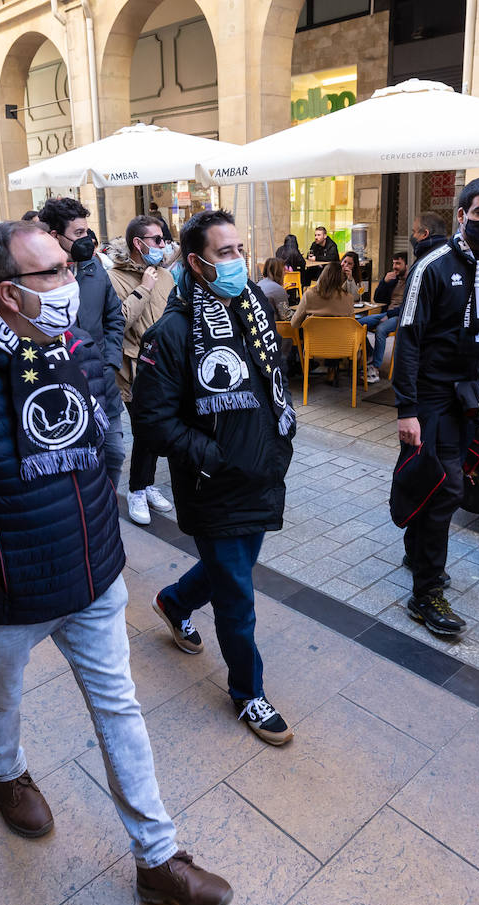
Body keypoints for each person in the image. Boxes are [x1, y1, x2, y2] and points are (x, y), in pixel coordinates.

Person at [0, 220, 234, 905]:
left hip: (95, 573)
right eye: (53, 273)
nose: (73, 282)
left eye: (72, 267)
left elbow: (103, 435)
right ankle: (5, 775)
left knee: (120, 709)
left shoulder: (74, 348)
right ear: (8, 293)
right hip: (7, 593)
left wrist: (100, 515)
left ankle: (158, 857)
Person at [132, 209, 297, 746]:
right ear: (197, 263)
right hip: (215, 483)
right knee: (237, 595)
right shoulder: (173, 332)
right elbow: (153, 421)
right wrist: (214, 454)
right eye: (225, 254)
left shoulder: (253, 308)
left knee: (232, 569)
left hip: (260, 471)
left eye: (240, 250)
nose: (238, 261)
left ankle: (174, 602)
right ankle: (248, 692)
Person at [395, 188, 479, 639]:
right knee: (443, 487)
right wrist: (406, 408)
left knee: (440, 484)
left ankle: (418, 552)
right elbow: (408, 339)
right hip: (429, 396)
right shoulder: (431, 267)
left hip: (466, 395)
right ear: (461, 215)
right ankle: (425, 592)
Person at [37, 197, 126, 490]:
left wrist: (110, 362)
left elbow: (114, 316)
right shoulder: (37, 276)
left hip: (103, 384)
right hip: (62, 388)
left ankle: (107, 505)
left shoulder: (94, 268)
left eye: (87, 231)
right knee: (80, 465)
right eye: (78, 234)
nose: (86, 239)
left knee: (114, 454)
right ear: (54, 236)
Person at [107, 215, 177, 526]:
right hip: (136, 369)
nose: (163, 245)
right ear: (138, 243)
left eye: (164, 240)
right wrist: (144, 288)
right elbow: (119, 322)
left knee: (160, 430)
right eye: (157, 240)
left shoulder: (165, 275)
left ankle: (146, 484)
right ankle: (137, 489)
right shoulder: (114, 278)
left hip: (167, 366)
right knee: (145, 431)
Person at [358, 252, 409, 383]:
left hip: (400, 316)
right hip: (386, 313)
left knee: (381, 330)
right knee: (357, 324)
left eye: (398, 263)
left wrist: (389, 315)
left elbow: (408, 307)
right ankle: (369, 354)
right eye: (393, 263)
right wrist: (384, 282)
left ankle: (375, 367)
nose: (394, 266)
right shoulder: (393, 279)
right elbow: (378, 299)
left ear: (407, 265)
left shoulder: (412, 281)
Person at [290, 259, 353, 329]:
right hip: (341, 338)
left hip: (314, 338)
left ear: (322, 275)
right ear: (341, 279)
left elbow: (294, 324)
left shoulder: (309, 296)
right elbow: (349, 325)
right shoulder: (348, 298)